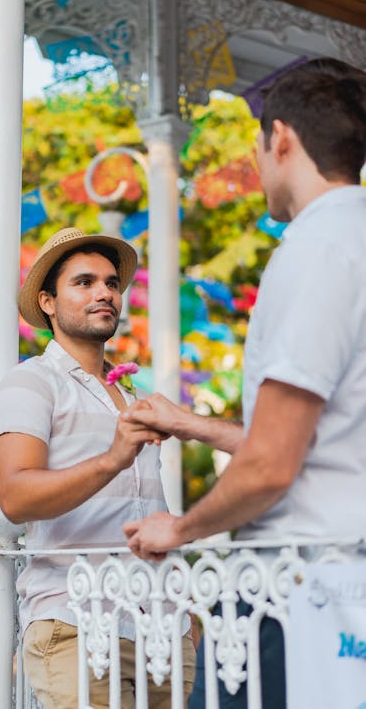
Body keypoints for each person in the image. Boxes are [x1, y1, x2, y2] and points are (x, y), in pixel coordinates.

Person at [122, 57, 366, 707]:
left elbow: (272, 466)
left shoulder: (317, 250)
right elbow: (325, 439)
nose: (256, 164)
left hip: (300, 592)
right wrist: (192, 423)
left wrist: (180, 528)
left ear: (280, 138)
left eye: (256, 146)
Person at [0, 227, 195, 709]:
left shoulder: (134, 396)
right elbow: (15, 498)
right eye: (83, 282)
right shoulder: (29, 384)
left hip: (165, 624)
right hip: (78, 619)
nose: (104, 292)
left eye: (111, 283)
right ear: (48, 302)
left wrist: (186, 617)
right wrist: (111, 459)